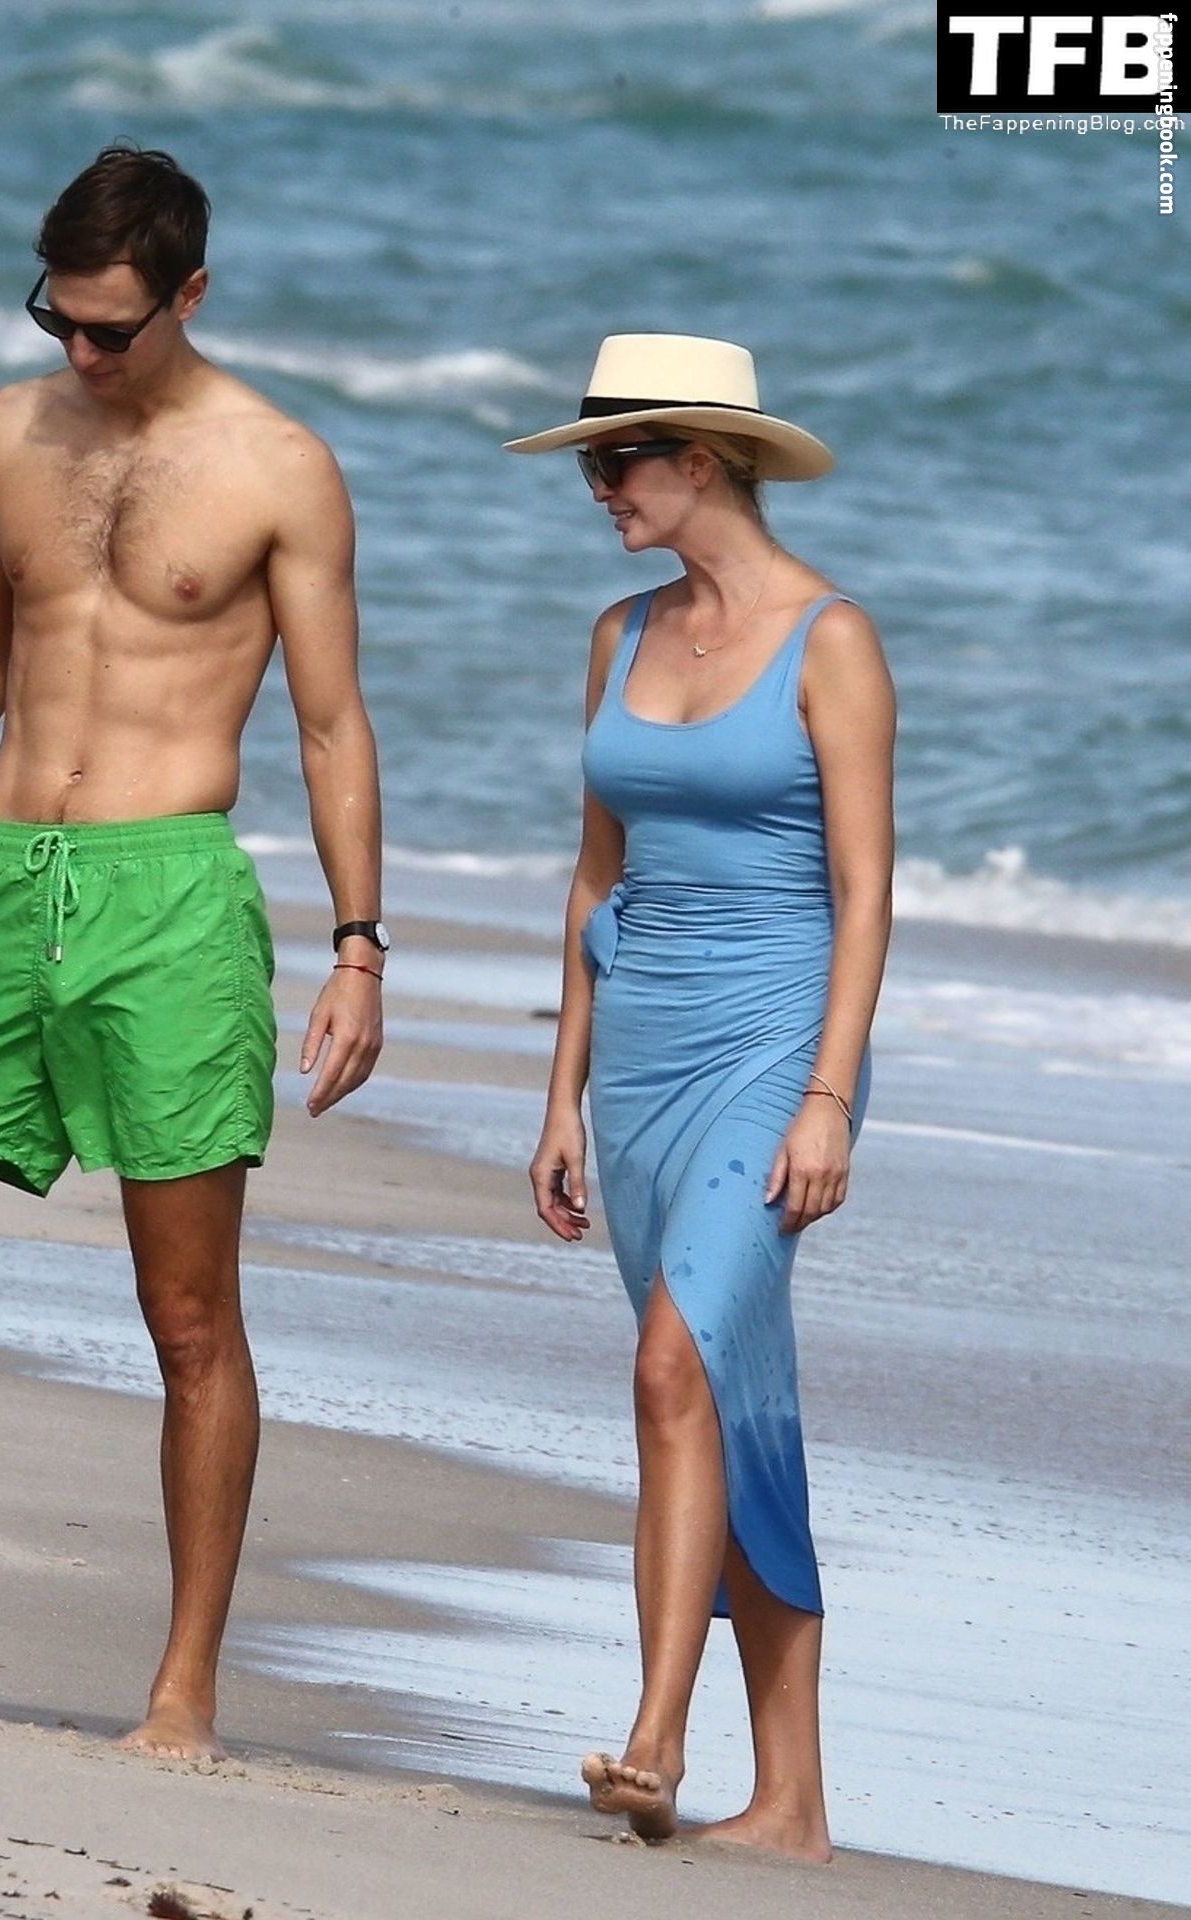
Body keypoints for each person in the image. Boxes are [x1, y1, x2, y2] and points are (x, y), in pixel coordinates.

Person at [0, 145, 386, 1760]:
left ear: (191, 292)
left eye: (113, 327)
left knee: (186, 1319)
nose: (82, 351)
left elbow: (330, 725)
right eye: (58, 318)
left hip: (169, 901)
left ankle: (183, 1691)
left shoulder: (278, 466)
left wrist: (359, 947)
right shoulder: (2, 432)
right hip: (1, 886)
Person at [508, 334, 894, 1855]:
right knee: (724, 1396)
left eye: (617, 462)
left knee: (671, 1367)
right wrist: (560, 1096)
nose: (599, 488)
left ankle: (656, 1743)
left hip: (773, 1048)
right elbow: (591, 878)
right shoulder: (620, 633)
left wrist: (831, 1096)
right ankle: (791, 1803)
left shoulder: (831, 641)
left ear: (704, 460)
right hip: (642, 1060)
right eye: (592, 466)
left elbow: (865, 893)